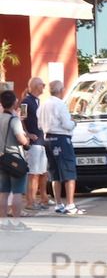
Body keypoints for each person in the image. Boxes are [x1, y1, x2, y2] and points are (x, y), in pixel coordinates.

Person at [39, 80, 83, 214]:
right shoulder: (60, 104)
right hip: (62, 139)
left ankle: (59, 203)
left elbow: (39, 124)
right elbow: (66, 124)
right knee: (69, 171)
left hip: (48, 139)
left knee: (55, 173)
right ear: (60, 90)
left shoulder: (43, 104)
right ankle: (70, 204)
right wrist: (73, 123)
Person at [0, 90, 31, 231]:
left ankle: (3, 222)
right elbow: (21, 138)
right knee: (17, 191)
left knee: (4, 192)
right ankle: (17, 222)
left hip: (1, 158)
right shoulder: (14, 120)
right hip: (15, 159)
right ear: (14, 103)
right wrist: (27, 143)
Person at [20, 77, 50, 210]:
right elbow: (21, 119)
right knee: (33, 173)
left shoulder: (38, 102)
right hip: (34, 142)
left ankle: (44, 198)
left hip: (42, 141)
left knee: (43, 172)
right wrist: (27, 134)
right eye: (42, 84)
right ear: (36, 86)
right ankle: (30, 201)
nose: (44, 87)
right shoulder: (26, 101)